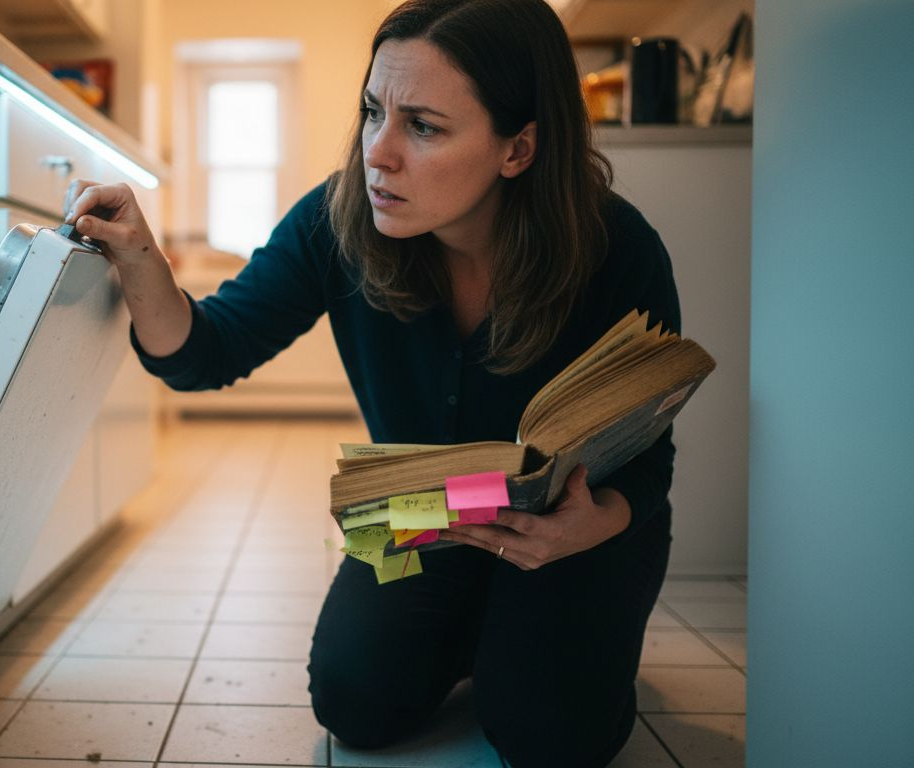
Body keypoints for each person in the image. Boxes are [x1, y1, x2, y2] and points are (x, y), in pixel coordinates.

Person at [62, 0, 679, 764]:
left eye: (422, 126)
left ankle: (523, 637)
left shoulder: (617, 250)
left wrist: (594, 524)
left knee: (549, 738)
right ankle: (481, 626)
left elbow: (652, 460)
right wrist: (138, 256)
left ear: (518, 148)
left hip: (575, 531)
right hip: (423, 512)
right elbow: (204, 352)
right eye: (371, 111)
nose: (376, 153)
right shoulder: (337, 219)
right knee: (354, 700)